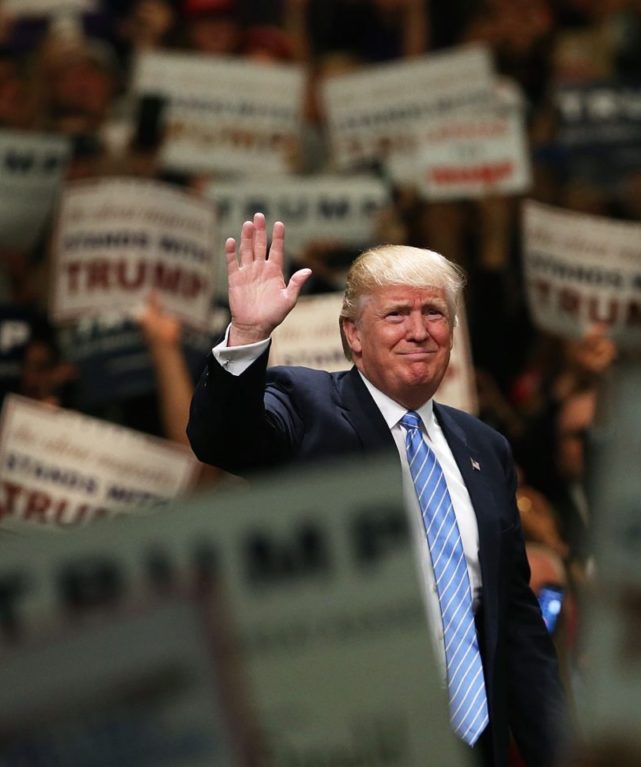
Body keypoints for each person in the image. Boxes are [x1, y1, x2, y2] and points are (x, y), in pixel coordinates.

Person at [187, 214, 567, 767]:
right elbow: (222, 440)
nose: (419, 330)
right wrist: (247, 336)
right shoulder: (306, 404)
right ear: (353, 335)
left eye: (434, 312)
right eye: (396, 314)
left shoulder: (486, 448)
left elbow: (513, 622)